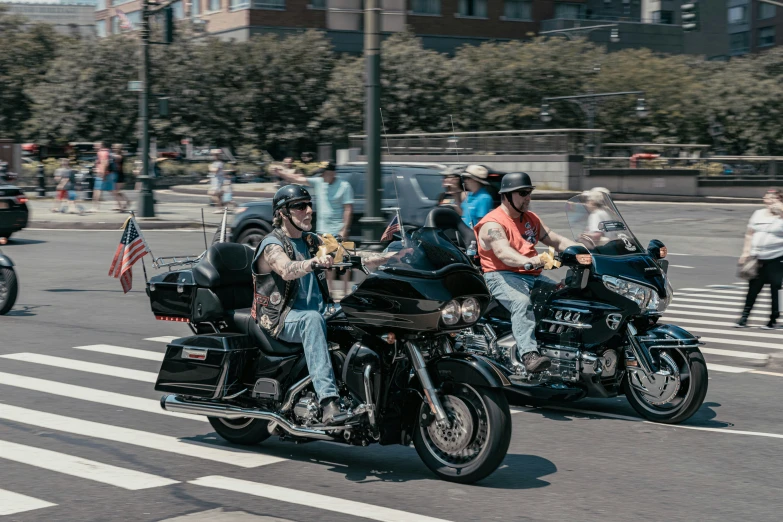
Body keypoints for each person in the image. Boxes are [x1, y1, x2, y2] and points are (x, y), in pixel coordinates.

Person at [252, 185, 409, 424]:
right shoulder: (272, 245)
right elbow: (285, 269)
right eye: (300, 206)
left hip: (319, 310)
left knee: (358, 310)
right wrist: (313, 263)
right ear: (283, 213)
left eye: (310, 205)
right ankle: (328, 404)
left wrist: (389, 257)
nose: (309, 210)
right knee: (312, 320)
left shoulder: (312, 241)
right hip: (282, 318)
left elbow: (353, 257)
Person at [475, 172, 578, 378]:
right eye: (522, 193)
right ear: (506, 196)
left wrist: (585, 251)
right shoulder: (493, 224)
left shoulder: (530, 219)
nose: (528, 198)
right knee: (521, 302)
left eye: (529, 193)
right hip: (501, 275)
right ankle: (529, 355)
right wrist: (531, 261)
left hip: (531, 275)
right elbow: (504, 253)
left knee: (565, 294)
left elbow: (556, 240)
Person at [737, 188, 783, 329]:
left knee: (777, 289)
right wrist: (745, 252)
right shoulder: (758, 214)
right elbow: (750, 234)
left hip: (777, 257)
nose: (768, 200)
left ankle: (774, 319)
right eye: (767, 197)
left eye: (772, 198)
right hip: (757, 258)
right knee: (753, 288)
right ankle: (744, 318)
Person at [90, 142, 110, 212]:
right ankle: (95, 206)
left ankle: (95, 207)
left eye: (96, 146)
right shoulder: (104, 152)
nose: (94, 147)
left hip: (100, 174)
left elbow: (104, 163)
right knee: (97, 190)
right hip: (101, 173)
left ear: (101, 146)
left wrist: (103, 173)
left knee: (97, 191)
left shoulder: (101, 153)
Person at [110, 144, 129, 211]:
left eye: (115, 148)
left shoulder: (120, 155)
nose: (114, 149)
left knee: (116, 191)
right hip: (114, 174)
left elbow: (118, 158)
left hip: (119, 175)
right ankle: (123, 203)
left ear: (119, 148)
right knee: (115, 191)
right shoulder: (114, 155)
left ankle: (122, 205)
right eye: (113, 148)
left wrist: (109, 154)